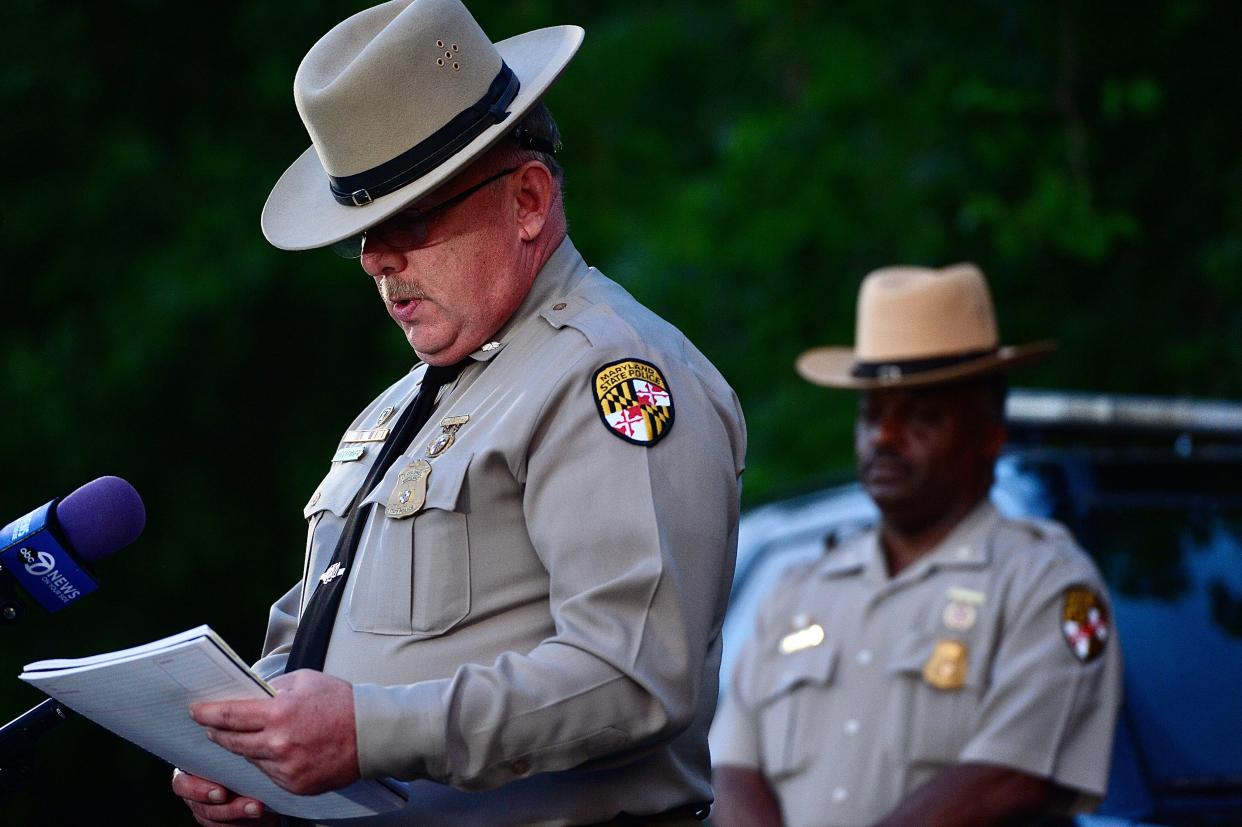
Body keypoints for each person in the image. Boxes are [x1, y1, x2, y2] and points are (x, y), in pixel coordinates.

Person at [170, 1, 746, 825]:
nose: (377, 259)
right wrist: (252, 743)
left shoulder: (610, 373)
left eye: (410, 217)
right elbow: (323, 642)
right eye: (360, 235)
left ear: (529, 200)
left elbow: (636, 676)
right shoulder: (401, 405)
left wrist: (364, 732)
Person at [709, 264, 1122, 827]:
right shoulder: (797, 590)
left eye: (921, 416)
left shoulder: (1045, 584)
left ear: (989, 436)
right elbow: (730, 768)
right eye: (871, 413)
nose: (883, 436)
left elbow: (1012, 779)